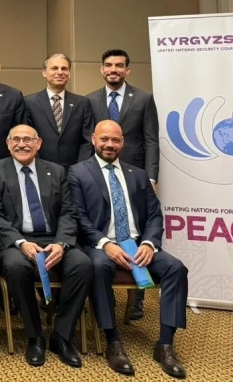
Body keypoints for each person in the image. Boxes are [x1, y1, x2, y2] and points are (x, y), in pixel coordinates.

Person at [68, 121, 188, 379]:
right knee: (98, 266)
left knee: (176, 268)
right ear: (94, 139)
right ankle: (112, 341)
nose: (109, 144)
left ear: (122, 142)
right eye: (104, 139)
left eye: (115, 140)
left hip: (138, 244)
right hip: (101, 244)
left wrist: (149, 243)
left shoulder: (138, 174)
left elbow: (155, 215)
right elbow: (78, 217)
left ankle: (165, 344)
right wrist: (106, 244)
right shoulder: (77, 172)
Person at [0, 124, 92, 369]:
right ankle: (35, 337)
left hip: (54, 238)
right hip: (14, 240)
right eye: (16, 139)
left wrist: (61, 243)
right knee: (16, 267)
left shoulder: (56, 171)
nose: (22, 144)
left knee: (83, 265)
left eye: (27, 139)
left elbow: (68, 212)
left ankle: (61, 336)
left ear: (38, 143)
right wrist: (21, 243)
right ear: (8, 143)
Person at [86, 48, 159, 320]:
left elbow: (151, 139)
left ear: (127, 70)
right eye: (108, 65)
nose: (113, 69)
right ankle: (107, 298)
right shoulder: (90, 99)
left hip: (135, 177)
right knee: (108, 228)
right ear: (102, 69)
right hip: (101, 174)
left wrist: (151, 177)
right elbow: (89, 140)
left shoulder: (144, 98)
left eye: (119, 65)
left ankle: (137, 298)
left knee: (134, 231)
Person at [24, 54, 94, 169]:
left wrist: (80, 168)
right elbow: (28, 139)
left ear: (69, 73)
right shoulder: (29, 102)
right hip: (40, 169)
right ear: (44, 72)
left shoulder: (82, 103)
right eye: (54, 68)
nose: (60, 72)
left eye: (64, 68)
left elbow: (87, 141)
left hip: (75, 170)